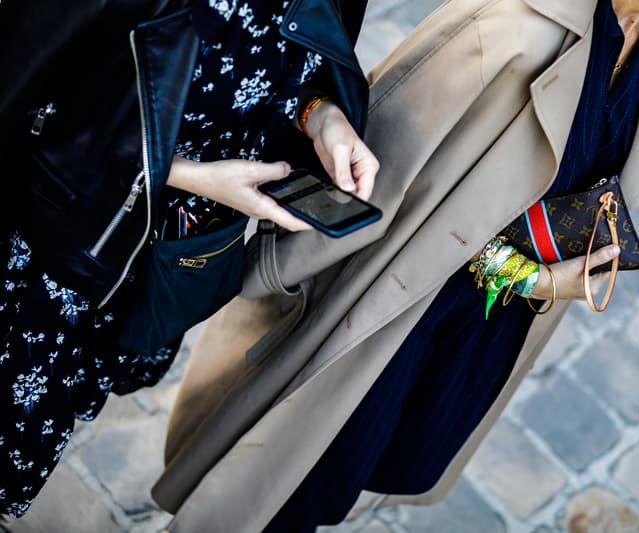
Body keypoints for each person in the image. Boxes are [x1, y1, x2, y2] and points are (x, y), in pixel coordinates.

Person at [153, 0, 639, 530]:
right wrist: (535, 279)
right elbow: (394, 200)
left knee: (353, 472)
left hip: (483, 328)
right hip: (395, 315)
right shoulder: (512, 25)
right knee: (286, 481)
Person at [0, 0, 377, 518]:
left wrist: (322, 116)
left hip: (170, 245)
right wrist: (188, 175)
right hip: (61, 243)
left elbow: (276, 67)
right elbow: (32, 102)